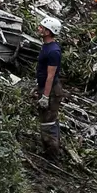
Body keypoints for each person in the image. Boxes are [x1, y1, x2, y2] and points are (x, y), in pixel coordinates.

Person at [34, 15, 63, 158]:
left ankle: (52, 155)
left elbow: (50, 76)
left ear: (48, 31)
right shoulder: (46, 46)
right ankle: (49, 149)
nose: (39, 28)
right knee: (46, 119)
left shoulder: (53, 51)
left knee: (48, 121)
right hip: (45, 87)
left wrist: (45, 96)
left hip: (51, 91)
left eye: (42, 27)